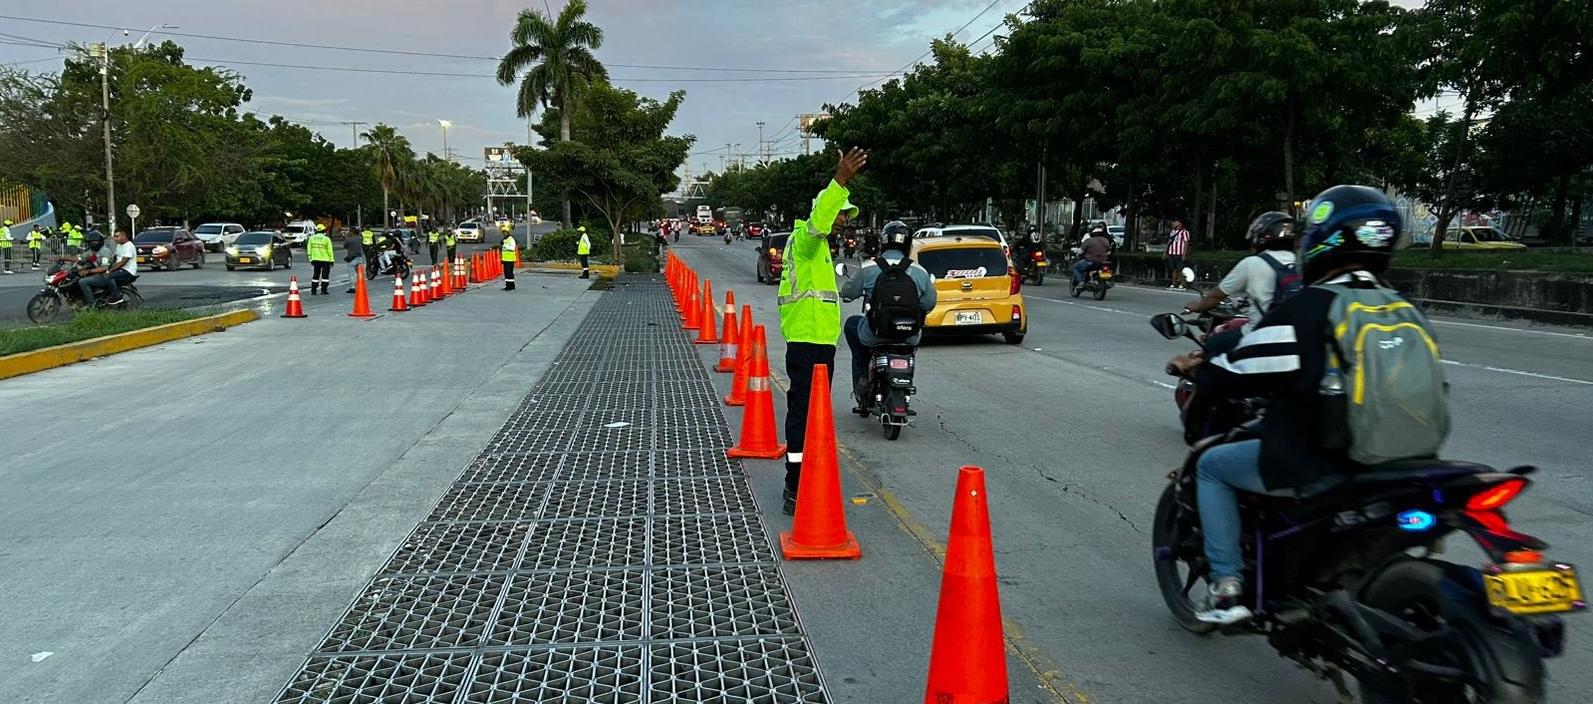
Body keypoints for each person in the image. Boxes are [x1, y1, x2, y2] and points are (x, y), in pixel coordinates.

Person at [1167, 185, 1438, 625]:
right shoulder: (1404, 307)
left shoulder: (1313, 307)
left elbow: (1238, 370)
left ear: (1322, 239)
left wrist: (1199, 369)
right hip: (1407, 464)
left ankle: (1227, 587)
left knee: (1212, 466)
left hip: (1323, 462)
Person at [777, 146, 867, 515]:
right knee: (804, 414)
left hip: (819, 343)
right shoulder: (806, 243)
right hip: (807, 342)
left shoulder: (821, 252)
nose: (843, 220)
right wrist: (839, 180)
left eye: (846, 215)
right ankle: (794, 486)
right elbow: (818, 223)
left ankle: (807, 479)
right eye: (841, 214)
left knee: (816, 416)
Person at [839, 220, 937, 402]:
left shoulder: (868, 267)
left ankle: (862, 378)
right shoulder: (919, 271)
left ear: (883, 242)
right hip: (908, 336)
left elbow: (847, 293)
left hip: (874, 335)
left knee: (852, 324)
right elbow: (929, 303)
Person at [1183, 211, 1298, 333]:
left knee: (1215, 341)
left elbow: (1217, 295)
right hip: (1298, 335)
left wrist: (1198, 306)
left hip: (1261, 335)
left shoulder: (1252, 263)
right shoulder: (1302, 263)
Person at [95, 228, 137, 304]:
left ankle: (116, 296)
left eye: (117, 236)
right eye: (114, 236)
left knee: (108, 276)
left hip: (127, 271)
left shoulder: (129, 246)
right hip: (121, 270)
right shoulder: (119, 246)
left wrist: (110, 270)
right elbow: (115, 258)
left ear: (124, 236)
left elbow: (123, 262)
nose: (115, 238)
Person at [1071, 223, 1114, 291]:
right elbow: (1109, 251)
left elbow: (1080, 251)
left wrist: (1073, 250)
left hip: (1090, 261)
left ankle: (1081, 282)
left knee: (1075, 267)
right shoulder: (1106, 241)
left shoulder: (1089, 241)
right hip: (1103, 262)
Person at [306, 223, 335, 295]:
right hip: (326, 260)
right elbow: (330, 251)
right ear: (324, 230)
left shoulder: (311, 238)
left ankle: (313, 290)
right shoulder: (327, 239)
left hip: (315, 260)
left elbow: (309, 249)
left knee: (316, 275)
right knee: (325, 276)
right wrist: (332, 260)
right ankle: (323, 290)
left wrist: (310, 259)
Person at [1166, 219, 1191, 289]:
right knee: (1173, 268)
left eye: (1174, 224)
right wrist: (1166, 252)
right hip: (1172, 252)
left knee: (1180, 269)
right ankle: (1174, 283)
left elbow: (1186, 243)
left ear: (1179, 224)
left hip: (1179, 253)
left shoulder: (1185, 232)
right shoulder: (1172, 232)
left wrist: (1184, 254)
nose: (1173, 225)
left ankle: (1182, 284)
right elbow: (1169, 242)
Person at [343, 228, 365, 293]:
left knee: (351, 274)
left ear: (352, 232)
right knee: (359, 273)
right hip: (359, 257)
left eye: (349, 231)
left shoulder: (349, 239)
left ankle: (352, 287)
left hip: (352, 258)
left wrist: (346, 237)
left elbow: (345, 245)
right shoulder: (360, 238)